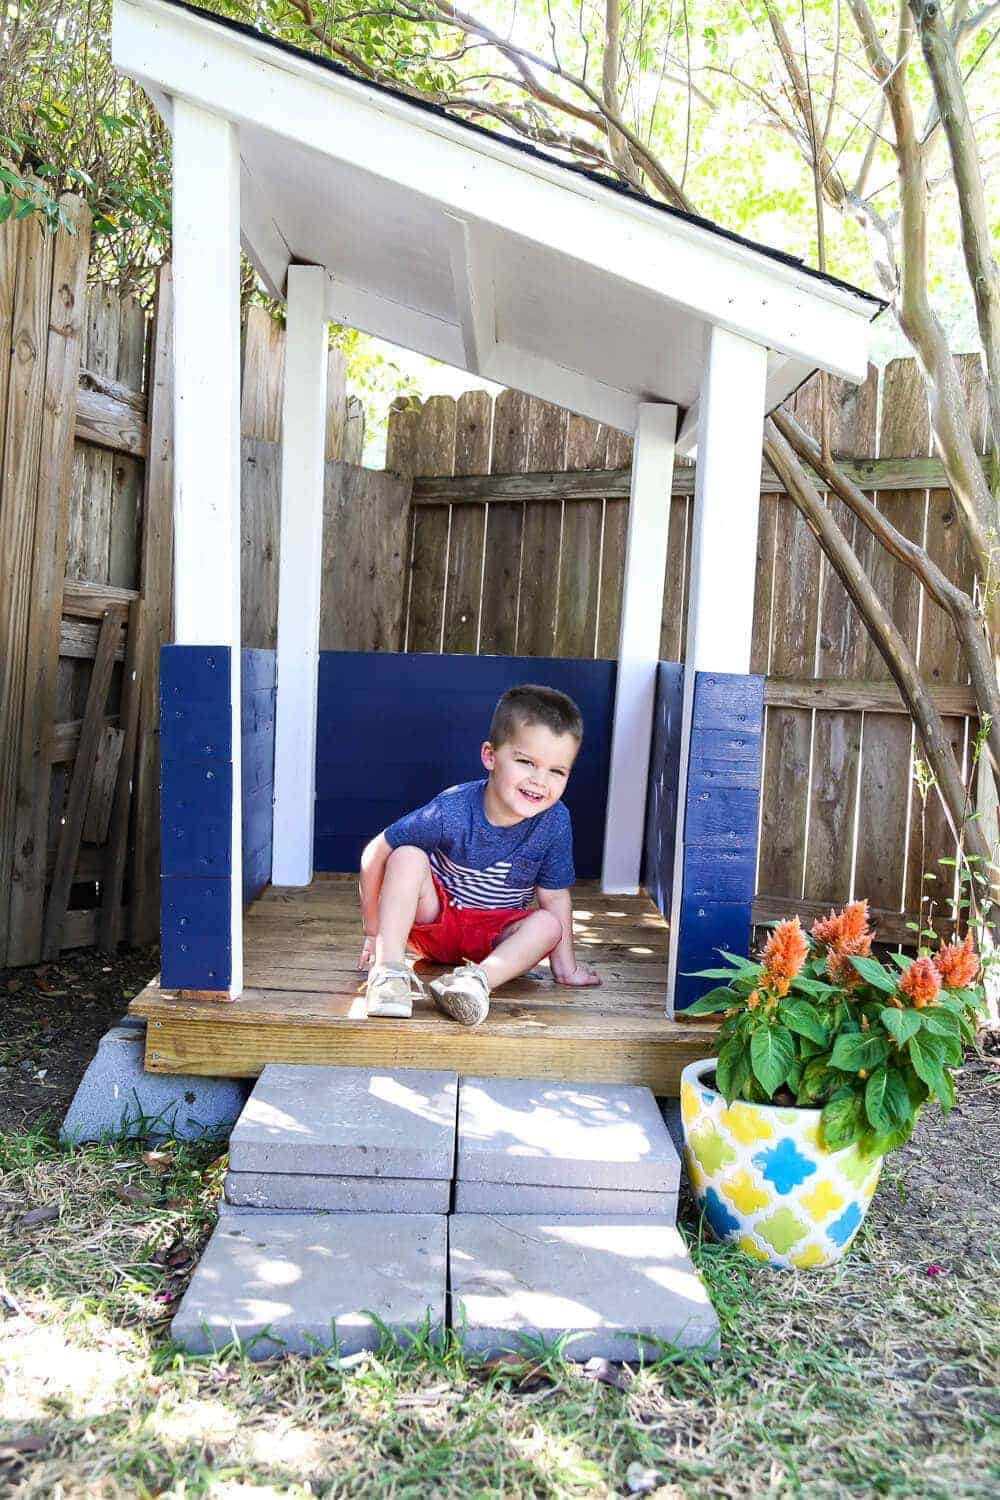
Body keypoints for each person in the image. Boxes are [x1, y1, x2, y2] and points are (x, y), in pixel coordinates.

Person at [357, 683, 601, 1025]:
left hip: (494, 938)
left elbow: (555, 898)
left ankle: (474, 983)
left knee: (548, 923)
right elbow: (375, 852)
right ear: (490, 756)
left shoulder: (555, 821)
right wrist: (372, 930)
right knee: (406, 856)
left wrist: (566, 967)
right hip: (436, 922)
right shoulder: (451, 810)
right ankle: (389, 973)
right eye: (526, 762)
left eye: (556, 771)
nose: (539, 781)